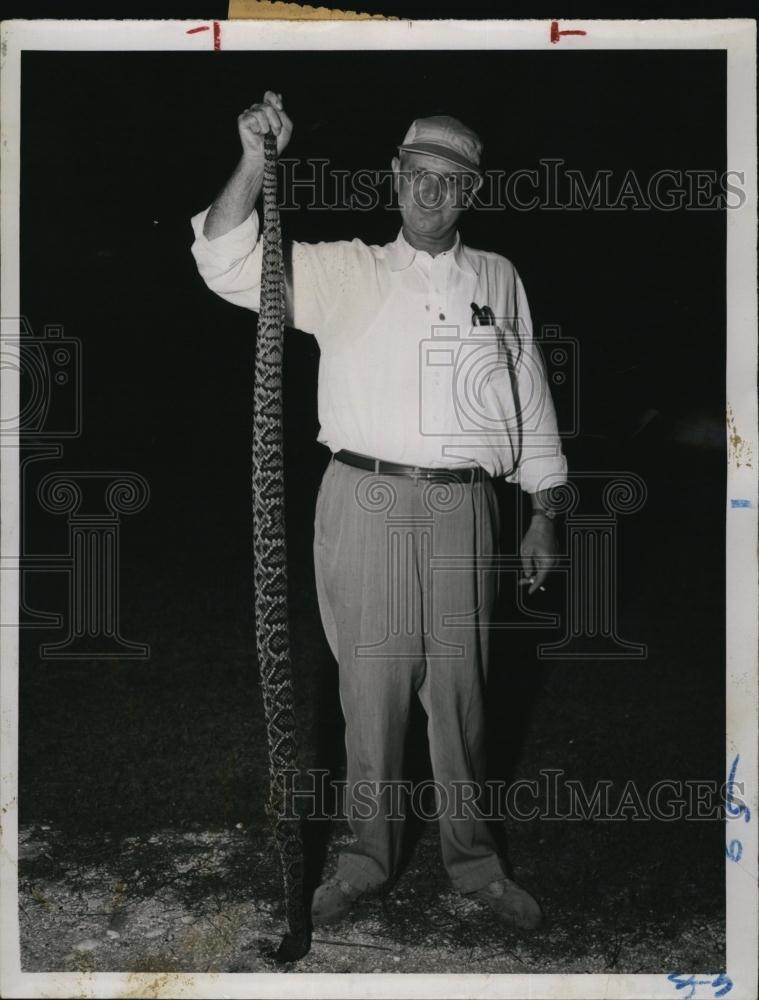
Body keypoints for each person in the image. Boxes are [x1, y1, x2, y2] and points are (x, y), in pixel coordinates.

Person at [191, 91, 568, 931]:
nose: (432, 194)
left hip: (468, 508)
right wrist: (254, 158)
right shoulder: (346, 271)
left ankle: (475, 863)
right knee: (371, 688)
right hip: (364, 496)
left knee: (462, 692)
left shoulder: (497, 279)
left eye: (451, 181)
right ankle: (365, 860)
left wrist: (544, 509)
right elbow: (223, 259)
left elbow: (530, 397)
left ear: (471, 192)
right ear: (394, 180)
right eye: (418, 176)